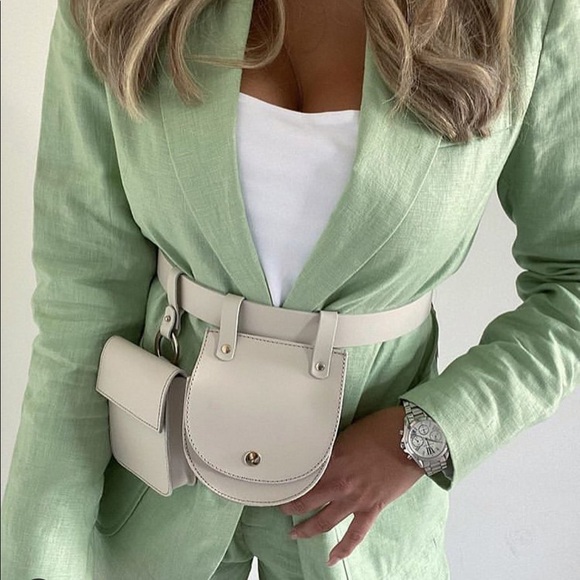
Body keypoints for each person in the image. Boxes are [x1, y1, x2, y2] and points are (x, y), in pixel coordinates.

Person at [1, 0, 579, 578]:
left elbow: (570, 285)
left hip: (358, 524)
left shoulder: (529, 14)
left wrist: (425, 435)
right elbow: (83, 299)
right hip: (155, 492)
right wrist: (39, 552)